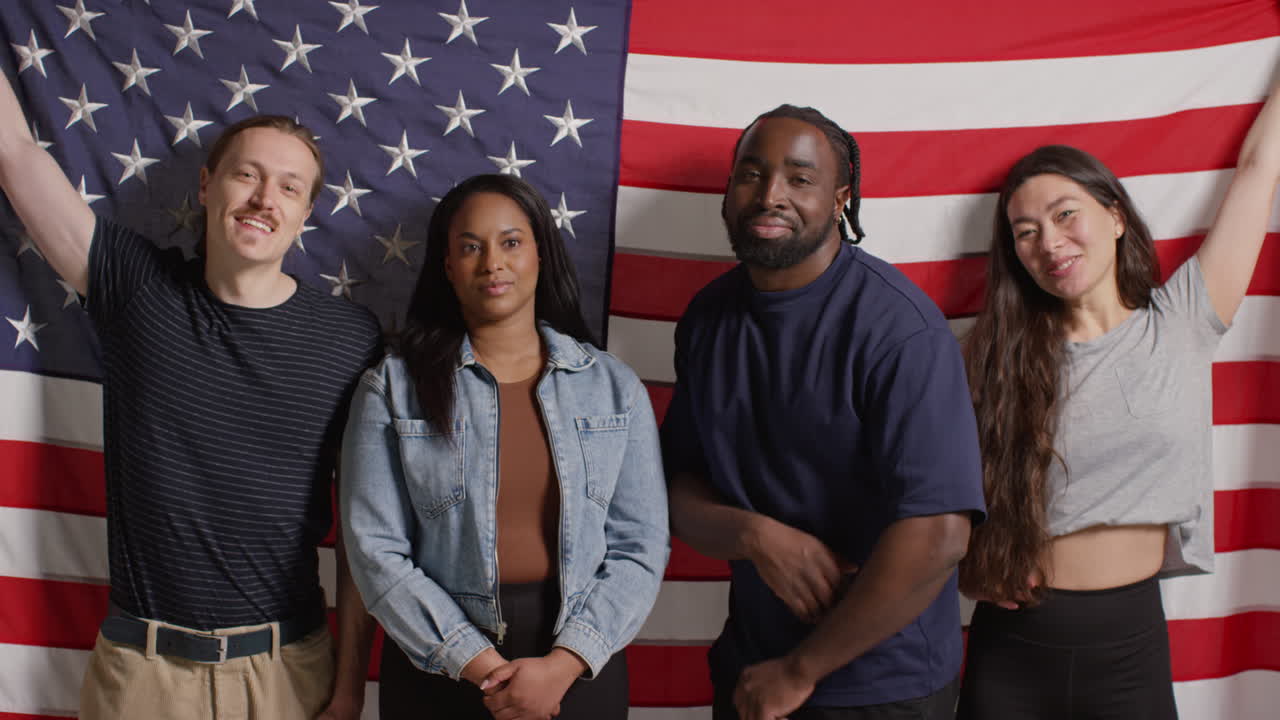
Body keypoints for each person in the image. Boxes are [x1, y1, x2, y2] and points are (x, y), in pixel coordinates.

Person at [0, 70, 381, 718]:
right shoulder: (136, 288)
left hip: (286, 673)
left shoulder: (351, 340)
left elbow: (363, 528)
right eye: (246, 175)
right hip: (143, 678)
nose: (265, 198)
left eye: (289, 187)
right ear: (207, 186)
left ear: (305, 215)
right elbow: (13, 151)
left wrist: (348, 689)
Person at [955, 75, 1280, 719]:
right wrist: (970, 563)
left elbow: (1257, 168)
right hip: (1012, 644)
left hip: (1130, 644)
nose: (1047, 242)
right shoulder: (989, 353)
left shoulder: (1183, 316)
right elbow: (933, 485)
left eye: (1064, 214)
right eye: (1024, 232)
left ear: (1114, 215)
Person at [661, 104, 987, 720]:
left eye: (800, 179)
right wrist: (757, 538)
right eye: (751, 174)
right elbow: (676, 488)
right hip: (752, 670)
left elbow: (942, 536)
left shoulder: (900, 330)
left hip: (880, 684)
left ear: (841, 200)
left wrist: (801, 670)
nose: (771, 195)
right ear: (727, 194)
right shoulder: (708, 317)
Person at [340, 173, 669, 720]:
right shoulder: (392, 388)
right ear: (448, 267)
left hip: (579, 666)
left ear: (541, 253)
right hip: (440, 666)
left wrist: (564, 664)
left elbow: (642, 545)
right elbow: (373, 550)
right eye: (471, 247)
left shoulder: (614, 388)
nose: (492, 262)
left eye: (511, 242)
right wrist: (479, 665)